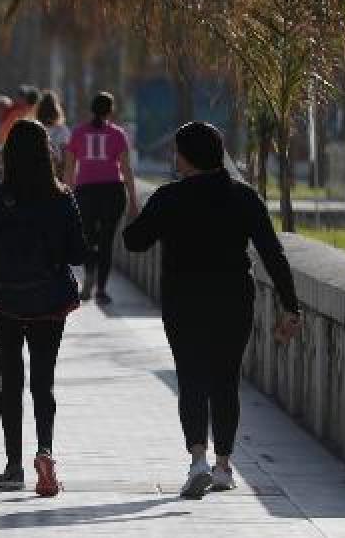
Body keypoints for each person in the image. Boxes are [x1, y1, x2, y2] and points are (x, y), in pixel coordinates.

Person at [123, 121, 301, 499]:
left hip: (183, 299)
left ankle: (197, 461)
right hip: (233, 298)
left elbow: (135, 242)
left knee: (191, 379)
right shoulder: (244, 197)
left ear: (186, 158)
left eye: (177, 152)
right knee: (225, 380)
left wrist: (133, 208)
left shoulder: (169, 197)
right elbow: (273, 252)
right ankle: (223, 466)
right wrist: (290, 305)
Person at [0, 119, 86, 498]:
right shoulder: (63, 197)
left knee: (11, 379)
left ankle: (13, 466)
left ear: (8, 155)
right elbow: (79, 253)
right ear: (47, 153)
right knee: (43, 382)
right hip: (49, 301)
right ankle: (45, 451)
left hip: (7, 300)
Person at [63, 92, 139, 304]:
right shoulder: (117, 134)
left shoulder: (78, 133)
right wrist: (133, 199)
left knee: (88, 239)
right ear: (110, 110)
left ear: (92, 109)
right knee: (106, 242)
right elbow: (126, 169)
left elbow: (69, 169)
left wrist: (67, 195)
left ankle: (88, 276)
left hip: (86, 192)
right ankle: (102, 290)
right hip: (112, 192)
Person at [36, 90, 70, 175]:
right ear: (57, 110)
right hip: (56, 174)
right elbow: (65, 154)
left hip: (38, 172)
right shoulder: (63, 130)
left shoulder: (34, 129)